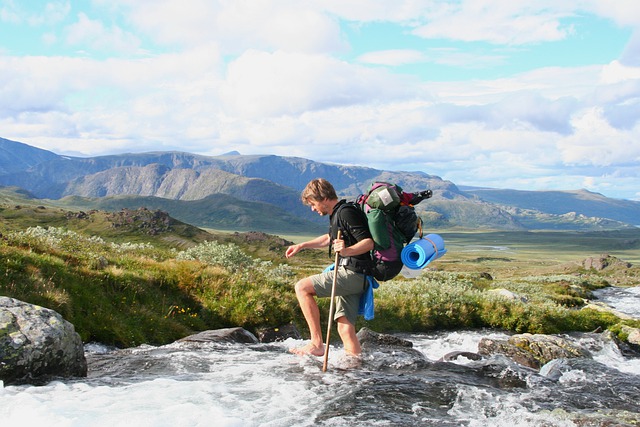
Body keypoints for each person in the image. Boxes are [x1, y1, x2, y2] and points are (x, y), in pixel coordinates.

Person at [285, 178, 374, 357]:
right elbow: (329, 238)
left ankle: (316, 343)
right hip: (356, 274)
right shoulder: (338, 214)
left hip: (352, 274)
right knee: (344, 327)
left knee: (302, 288)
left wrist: (347, 250)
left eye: (313, 203)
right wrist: (302, 246)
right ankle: (355, 366)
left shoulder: (346, 212)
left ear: (324, 198)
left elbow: (369, 242)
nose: (313, 208)